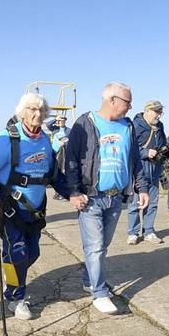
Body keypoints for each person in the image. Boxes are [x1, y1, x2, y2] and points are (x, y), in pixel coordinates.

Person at [0, 93, 69, 320]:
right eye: (31, 109)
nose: (37, 114)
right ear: (21, 112)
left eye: (41, 110)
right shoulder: (5, 139)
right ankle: (16, 297)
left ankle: (15, 282)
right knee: (16, 253)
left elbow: (54, 175)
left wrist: (73, 194)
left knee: (32, 253)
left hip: (35, 212)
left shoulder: (46, 141)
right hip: (10, 210)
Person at [65, 82, 149, 314]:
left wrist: (142, 188)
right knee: (95, 246)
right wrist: (73, 192)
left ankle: (88, 280)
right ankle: (99, 293)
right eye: (127, 103)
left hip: (116, 198)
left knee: (103, 245)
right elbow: (70, 160)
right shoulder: (85, 123)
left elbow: (135, 161)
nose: (130, 108)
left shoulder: (128, 126)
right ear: (112, 100)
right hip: (91, 197)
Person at [126, 100, 168, 245]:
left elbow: (163, 144)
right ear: (147, 110)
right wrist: (145, 152)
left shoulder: (160, 126)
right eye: (157, 112)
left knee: (153, 202)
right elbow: (129, 148)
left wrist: (166, 151)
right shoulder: (135, 125)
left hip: (155, 168)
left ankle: (149, 231)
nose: (159, 115)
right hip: (139, 168)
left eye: (161, 112)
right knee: (135, 203)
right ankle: (133, 232)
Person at [51, 115, 71, 200]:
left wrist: (65, 143)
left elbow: (72, 142)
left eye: (62, 120)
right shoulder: (54, 129)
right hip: (55, 153)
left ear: (65, 121)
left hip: (64, 154)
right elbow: (48, 124)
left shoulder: (69, 131)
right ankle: (56, 193)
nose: (60, 122)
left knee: (63, 172)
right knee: (56, 172)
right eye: (59, 121)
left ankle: (62, 193)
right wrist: (55, 119)